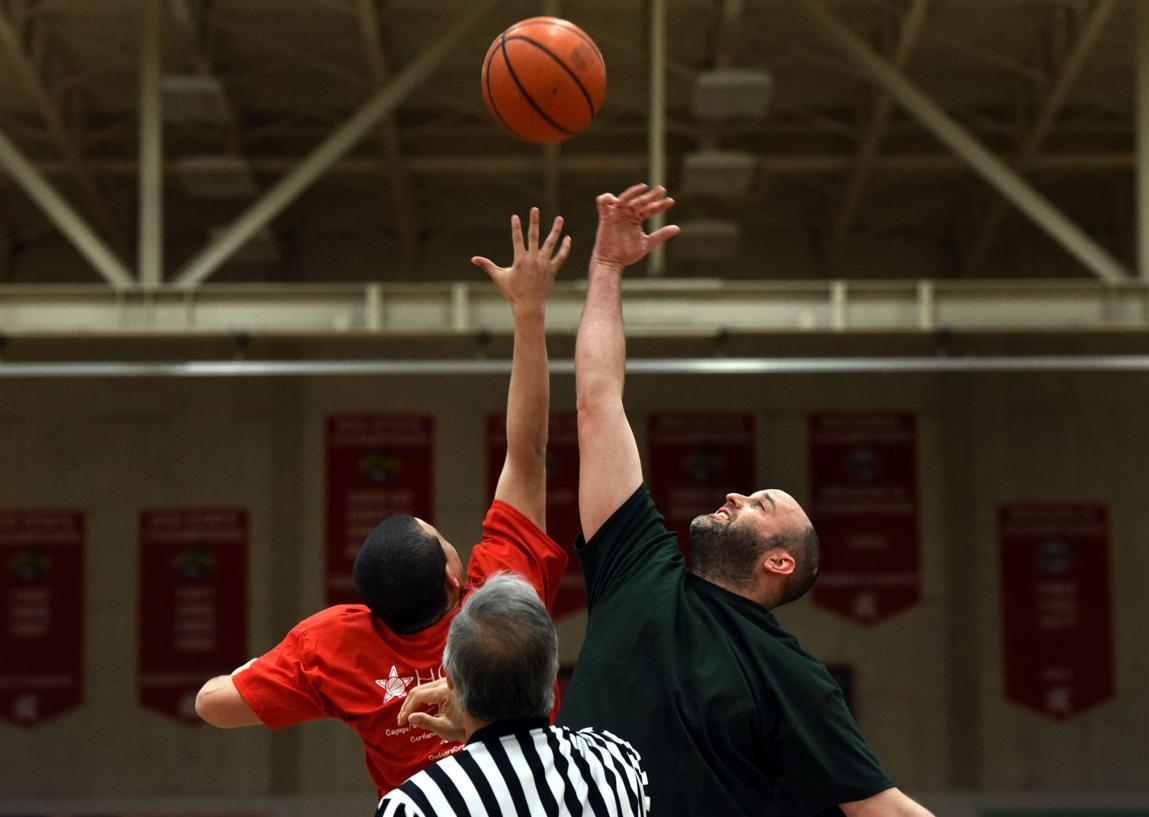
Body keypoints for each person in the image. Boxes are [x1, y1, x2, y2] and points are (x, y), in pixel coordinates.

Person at [558, 183, 934, 817]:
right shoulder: (636, 566)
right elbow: (598, 400)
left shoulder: (791, 679)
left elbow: (884, 810)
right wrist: (605, 269)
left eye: (761, 504)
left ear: (779, 562)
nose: (735, 493)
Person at [194, 209, 573, 797]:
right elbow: (527, 450)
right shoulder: (505, 597)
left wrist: (294, 669)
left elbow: (212, 705)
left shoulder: (336, 649)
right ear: (453, 576)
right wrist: (529, 310)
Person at [377, 574, 650, 817]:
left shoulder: (413, 806)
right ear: (551, 670)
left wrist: (473, 738)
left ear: (450, 681)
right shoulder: (616, 764)